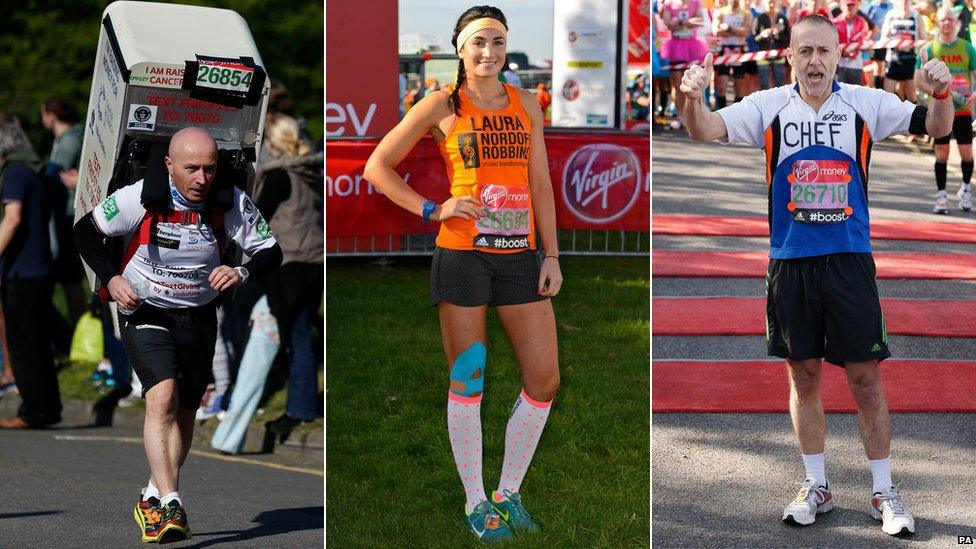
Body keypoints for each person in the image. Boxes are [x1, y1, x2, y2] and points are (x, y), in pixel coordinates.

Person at [677, 14, 953, 537]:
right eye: (805, 52)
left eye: (824, 51)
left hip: (850, 260)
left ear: (839, 53)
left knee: (865, 378)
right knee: (803, 376)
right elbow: (703, 129)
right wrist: (693, 96)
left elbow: (937, 126)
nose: (815, 62)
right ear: (789, 57)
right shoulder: (767, 106)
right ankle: (816, 484)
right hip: (789, 260)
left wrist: (942, 93)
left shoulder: (865, 102)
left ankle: (884, 491)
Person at [363, 5, 562, 542]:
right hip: (463, 259)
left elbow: (540, 183)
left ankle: (509, 492)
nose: (488, 52)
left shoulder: (527, 103)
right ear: (459, 48)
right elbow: (376, 167)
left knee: (544, 380)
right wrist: (433, 209)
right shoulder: (441, 104)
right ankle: (477, 500)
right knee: (468, 379)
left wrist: (552, 255)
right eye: (477, 41)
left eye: (497, 41)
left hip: (521, 258)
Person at [73, 127, 282, 543]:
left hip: (199, 315)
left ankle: (152, 495)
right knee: (162, 396)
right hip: (145, 309)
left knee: (186, 408)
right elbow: (85, 231)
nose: (202, 179)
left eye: (209, 168)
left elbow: (271, 252)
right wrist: (112, 279)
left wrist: (240, 271)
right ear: (169, 165)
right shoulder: (142, 195)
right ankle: (171, 501)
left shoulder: (230, 200)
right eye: (192, 169)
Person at [253, 114, 324, 445]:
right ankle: (302, 402)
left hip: (290, 262)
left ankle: (300, 407)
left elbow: (256, 218)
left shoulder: (280, 176)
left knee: (295, 338)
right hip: (314, 261)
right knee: (302, 333)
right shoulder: (310, 171)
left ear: (273, 143)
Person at [0, 120, 61, 430]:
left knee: (23, 345)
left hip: (21, 272)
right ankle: (48, 408)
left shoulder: (13, 173)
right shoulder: (37, 173)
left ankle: (33, 412)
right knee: (38, 343)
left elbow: (12, 219)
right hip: (40, 267)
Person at [915, 6, 976, 213]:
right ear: (937, 23)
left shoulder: (967, 48)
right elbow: (918, 79)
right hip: (941, 109)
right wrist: (937, 92)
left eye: (950, 19)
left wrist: (973, 95)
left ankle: (966, 190)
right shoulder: (929, 49)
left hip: (963, 110)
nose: (947, 23)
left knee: (966, 153)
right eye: (943, 20)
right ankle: (941, 197)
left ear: (956, 22)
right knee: (942, 152)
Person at [662, 0, 710, 121]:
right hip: (675, 46)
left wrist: (679, 22)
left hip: (692, 46)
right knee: (678, 84)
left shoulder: (695, 3)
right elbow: (668, 24)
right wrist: (687, 22)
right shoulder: (669, 4)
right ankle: (681, 115)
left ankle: (694, 114)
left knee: (693, 82)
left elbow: (699, 21)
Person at [880, 0, 926, 101]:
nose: (904, 2)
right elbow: (883, 38)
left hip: (910, 58)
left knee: (911, 95)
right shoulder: (891, 15)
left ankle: (913, 115)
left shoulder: (916, 16)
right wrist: (896, 43)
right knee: (887, 95)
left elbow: (924, 38)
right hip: (893, 58)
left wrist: (911, 44)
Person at [713, 0, 755, 107]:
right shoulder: (720, 12)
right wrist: (738, 31)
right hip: (724, 49)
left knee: (739, 86)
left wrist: (728, 28)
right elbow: (716, 32)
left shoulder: (746, 14)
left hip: (739, 50)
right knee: (722, 85)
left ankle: (737, 114)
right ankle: (720, 112)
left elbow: (746, 33)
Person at [833, 0, 874, 84]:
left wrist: (850, 48)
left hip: (856, 64)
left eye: (853, 5)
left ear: (857, 6)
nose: (850, 8)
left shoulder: (862, 22)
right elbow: (833, 41)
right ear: (842, 6)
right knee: (840, 90)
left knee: (856, 91)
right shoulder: (835, 23)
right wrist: (844, 50)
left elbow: (862, 38)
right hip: (839, 64)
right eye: (848, 5)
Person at [754, 0, 792, 89]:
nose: (771, 5)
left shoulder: (782, 18)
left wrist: (777, 34)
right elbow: (755, 38)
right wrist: (763, 35)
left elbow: (788, 38)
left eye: (773, 2)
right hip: (763, 56)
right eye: (769, 2)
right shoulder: (760, 18)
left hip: (778, 56)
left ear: (777, 3)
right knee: (764, 85)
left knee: (780, 84)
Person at [867, 0, 894, 88]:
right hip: (877, 42)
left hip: (888, 42)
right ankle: (877, 87)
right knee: (878, 65)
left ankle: (880, 87)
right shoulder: (872, 6)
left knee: (884, 66)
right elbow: (868, 22)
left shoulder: (891, 5)